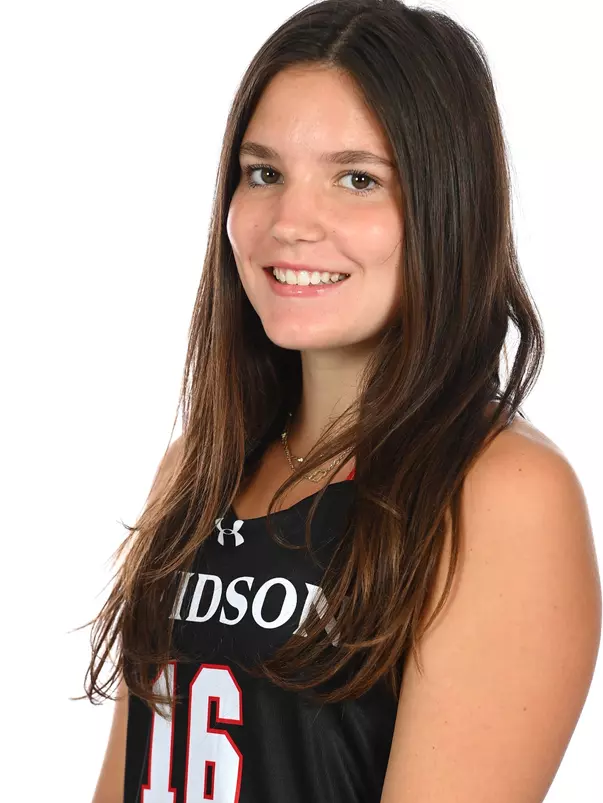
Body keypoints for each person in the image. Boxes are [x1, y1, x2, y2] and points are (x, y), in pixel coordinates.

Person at [84, 1, 601, 801]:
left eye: (357, 179)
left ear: (445, 206)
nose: (291, 222)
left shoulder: (500, 493)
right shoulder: (196, 466)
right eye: (264, 173)